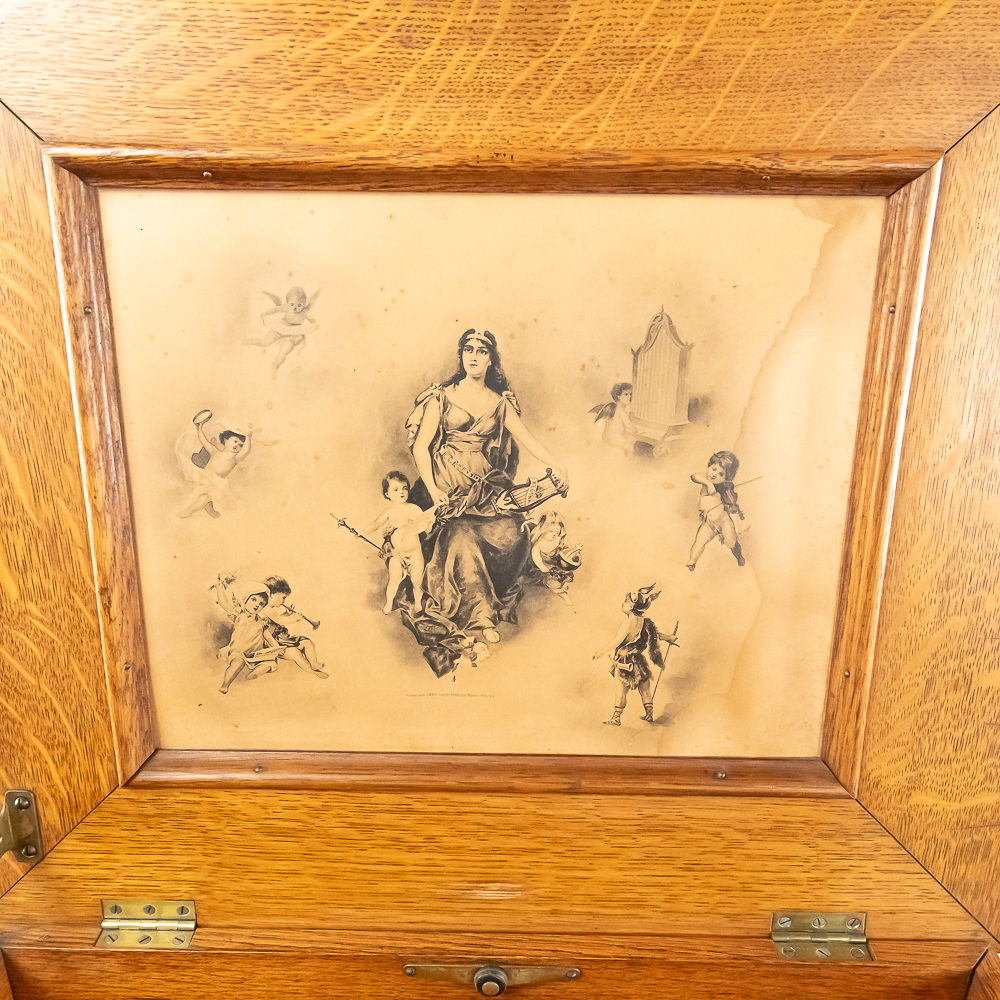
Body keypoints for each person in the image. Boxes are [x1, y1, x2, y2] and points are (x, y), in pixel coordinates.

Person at [403, 328, 569, 675]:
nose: (474, 356)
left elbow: (527, 439)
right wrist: (434, 490)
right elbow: (421, 447)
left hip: (484, 487)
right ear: (461, 355)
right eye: (468, 349)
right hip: (445, 486)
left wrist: (558, 465)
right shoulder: (441, 397)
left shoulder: (500, 402)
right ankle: (479, 618)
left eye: (481, 351)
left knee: (512, 534)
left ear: (491, 359)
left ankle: (492, 599)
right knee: (461, 537)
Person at [593, 584, 676, 725]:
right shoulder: (646, 623)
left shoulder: (628, 624)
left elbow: (616, 641)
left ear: (631, 606)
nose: (623, 603)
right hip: (639, 660)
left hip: (624, 661)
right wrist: (669, 637)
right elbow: (656, 635)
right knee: (645, 690)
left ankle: (616, 718)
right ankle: (649, 715)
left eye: (625, 601)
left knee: (621, 691)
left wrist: (601, 652)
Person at [364, 471, 438, 614]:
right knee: (394, 580)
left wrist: (430, 521)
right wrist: (361, 532)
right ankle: (389, 604)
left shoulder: (414, 509)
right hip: (397, 554)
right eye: (396, 489)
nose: (402, 492)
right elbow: (375, 524)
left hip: (415, 553)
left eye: (405, 488)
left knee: (417, 582)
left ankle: (418, 604)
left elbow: (428, 530)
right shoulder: (389, 512)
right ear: (387, 494)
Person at [176, 413, 256, 519]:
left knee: (206, 496)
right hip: (205, 477)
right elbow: (204, 441)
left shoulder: (235, 458)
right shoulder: (215, 452)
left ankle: (189, 511)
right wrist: (199, 429)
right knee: (199, 495)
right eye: (235, 441)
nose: (237, 445)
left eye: (240, 445)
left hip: (217, 481)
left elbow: (246, 450)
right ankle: (210, 510)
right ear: (226, 440)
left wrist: (248, 438)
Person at [686, 450, 745, 570]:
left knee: (731, 542)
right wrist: (709, 484)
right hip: (708, 523)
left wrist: (732, 504)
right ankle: (692, 561)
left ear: (726, 478)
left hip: (723, 521)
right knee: (700, 541)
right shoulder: (705, 480)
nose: (714, 474)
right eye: (713, 469)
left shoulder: (724, 487)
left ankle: (739, 556)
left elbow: (731, 502)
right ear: (709, 467)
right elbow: (694, 476)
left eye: (721, 474)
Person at [262, 576, 329, 679]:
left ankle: (314, 663)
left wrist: (287, 614)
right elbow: (279, 620)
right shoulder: (266, 609)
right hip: (273, 643)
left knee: (307, 642)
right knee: (295, 653)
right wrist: (295, 619)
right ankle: (313, 672)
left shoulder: (270, 610)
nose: (284, 601)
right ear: (271, 595)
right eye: (283, 597)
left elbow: (276, 620)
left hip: (282, 639)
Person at [589, 382, 638, 456]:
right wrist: (637, 430)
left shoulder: (613, 406)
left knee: (631, 440)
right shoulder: (621, 410)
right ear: (619, 396)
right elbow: (631, 428)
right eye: (626, 394)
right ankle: (627, 462)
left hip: (607, 436)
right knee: (630, 447)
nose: (630, 397)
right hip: (613, 437)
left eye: (631, 394)